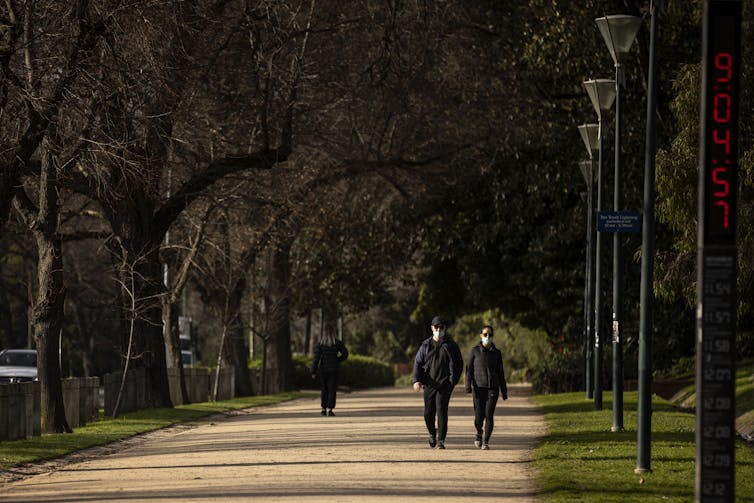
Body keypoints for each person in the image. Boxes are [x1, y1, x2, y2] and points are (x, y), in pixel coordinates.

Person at [412, 315, 463, 449]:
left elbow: (459, 364)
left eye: (441, 327)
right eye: (436, 327)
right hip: (429, 384)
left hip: (444, 385)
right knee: (428, 413)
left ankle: (441, 440)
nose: (439, 330)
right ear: (432, 328)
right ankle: (432, 433)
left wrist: (452, 382)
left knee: (442, 412)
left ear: (445, 328)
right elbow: (418, 362)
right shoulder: (425, 345)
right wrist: (416, 380)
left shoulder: (451, 345)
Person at [465, 325, 508, 450]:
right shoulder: (474, 351)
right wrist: (468, 386)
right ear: (481, 335)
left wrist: (504, 391)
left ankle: (486, 442)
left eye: (490, 335)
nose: (487, 337)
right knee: (479, 417)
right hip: (478, 389)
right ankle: (479, 433)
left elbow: (501, 373)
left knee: (489, 415)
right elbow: (469, 370)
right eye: (485, 334)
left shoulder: (497, 353)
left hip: (492, 388)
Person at [311, 332, 349, 416]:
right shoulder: (337, 343)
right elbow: (345, 354)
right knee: (332, 389)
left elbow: (316, 358)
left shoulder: (320, 344)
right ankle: (330, 409)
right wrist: (337, 360)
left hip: (323, 369)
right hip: (334, 369)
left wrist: (313, 371)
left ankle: (323, 409)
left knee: (324, 389)